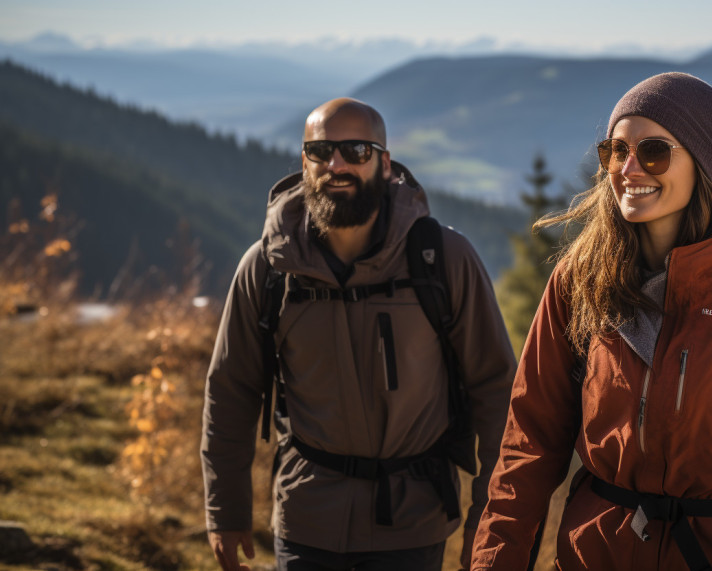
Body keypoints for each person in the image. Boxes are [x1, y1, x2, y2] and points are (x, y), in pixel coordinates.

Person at [471, 72, 712, 569]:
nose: (629, 168)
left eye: (654, 151)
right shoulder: (580, 279)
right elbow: (528, 444)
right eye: (616, 150)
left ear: (701, 163)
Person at [201, 98, 516, 571]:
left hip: (412, 523)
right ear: (304, 161)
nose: (336, 164)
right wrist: (225, 509)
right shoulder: (269, 268)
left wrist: (490, 522)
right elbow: (231, 390)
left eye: (356, 150)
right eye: (320, 151)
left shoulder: (442, 260)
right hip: (306, 518)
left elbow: (497, 390)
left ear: (386, 164)